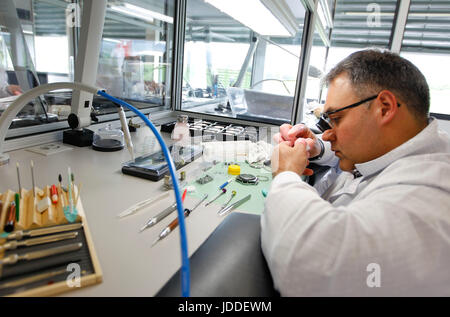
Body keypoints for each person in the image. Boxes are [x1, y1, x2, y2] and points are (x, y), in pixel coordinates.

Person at [262, 49, 450, 296]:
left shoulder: (431, 194)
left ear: (384, 107)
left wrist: (286, 174)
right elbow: (364, 151)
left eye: (336, 118)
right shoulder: (421, 142)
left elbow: (313, 262)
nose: (327, 132)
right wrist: (316, 147)